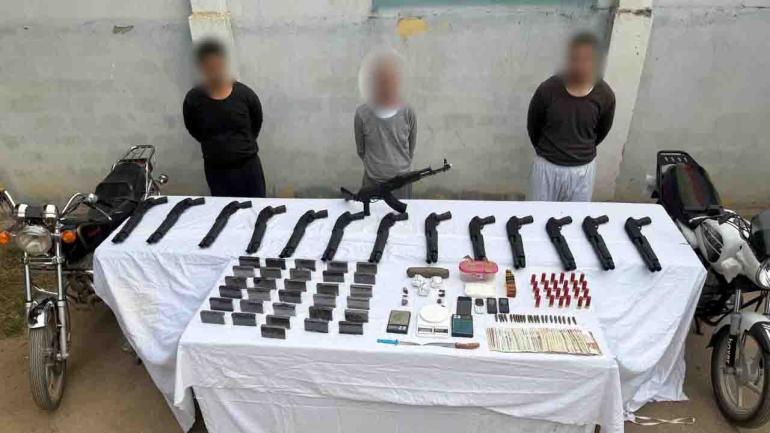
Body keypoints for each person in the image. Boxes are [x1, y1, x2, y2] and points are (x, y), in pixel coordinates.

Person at [526, 31, 616, 202]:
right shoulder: (548, 90)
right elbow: (533, 126)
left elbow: (602, 130)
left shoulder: (605, 95)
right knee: (536, 215)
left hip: (582, 172)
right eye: (576, 58)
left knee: (575, 217)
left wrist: (579, 150)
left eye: (587, 59)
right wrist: (550, 152)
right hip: (546, 169)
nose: (580, 65)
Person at [183, 38, 266, 197]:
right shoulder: (193, 99)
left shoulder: (244, 95)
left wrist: (242, 145)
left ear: (224, 64)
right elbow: (192, 127)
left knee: (256, 208)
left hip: (248, 168)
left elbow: (256, 121)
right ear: (201, 67)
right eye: (208, 66)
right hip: (217, 170)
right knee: (223, 209)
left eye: (216, 65)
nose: (214, 70)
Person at [354, 51, 417, 199]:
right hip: (372, 182)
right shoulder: (362, 114)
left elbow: (411, 146)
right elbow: (361, 150)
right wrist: (377, 169)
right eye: (381, 80)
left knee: (401, 213)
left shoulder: (408, 112)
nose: (386, 85)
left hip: (403, 183)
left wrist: (399, 168)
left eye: (390, 80)